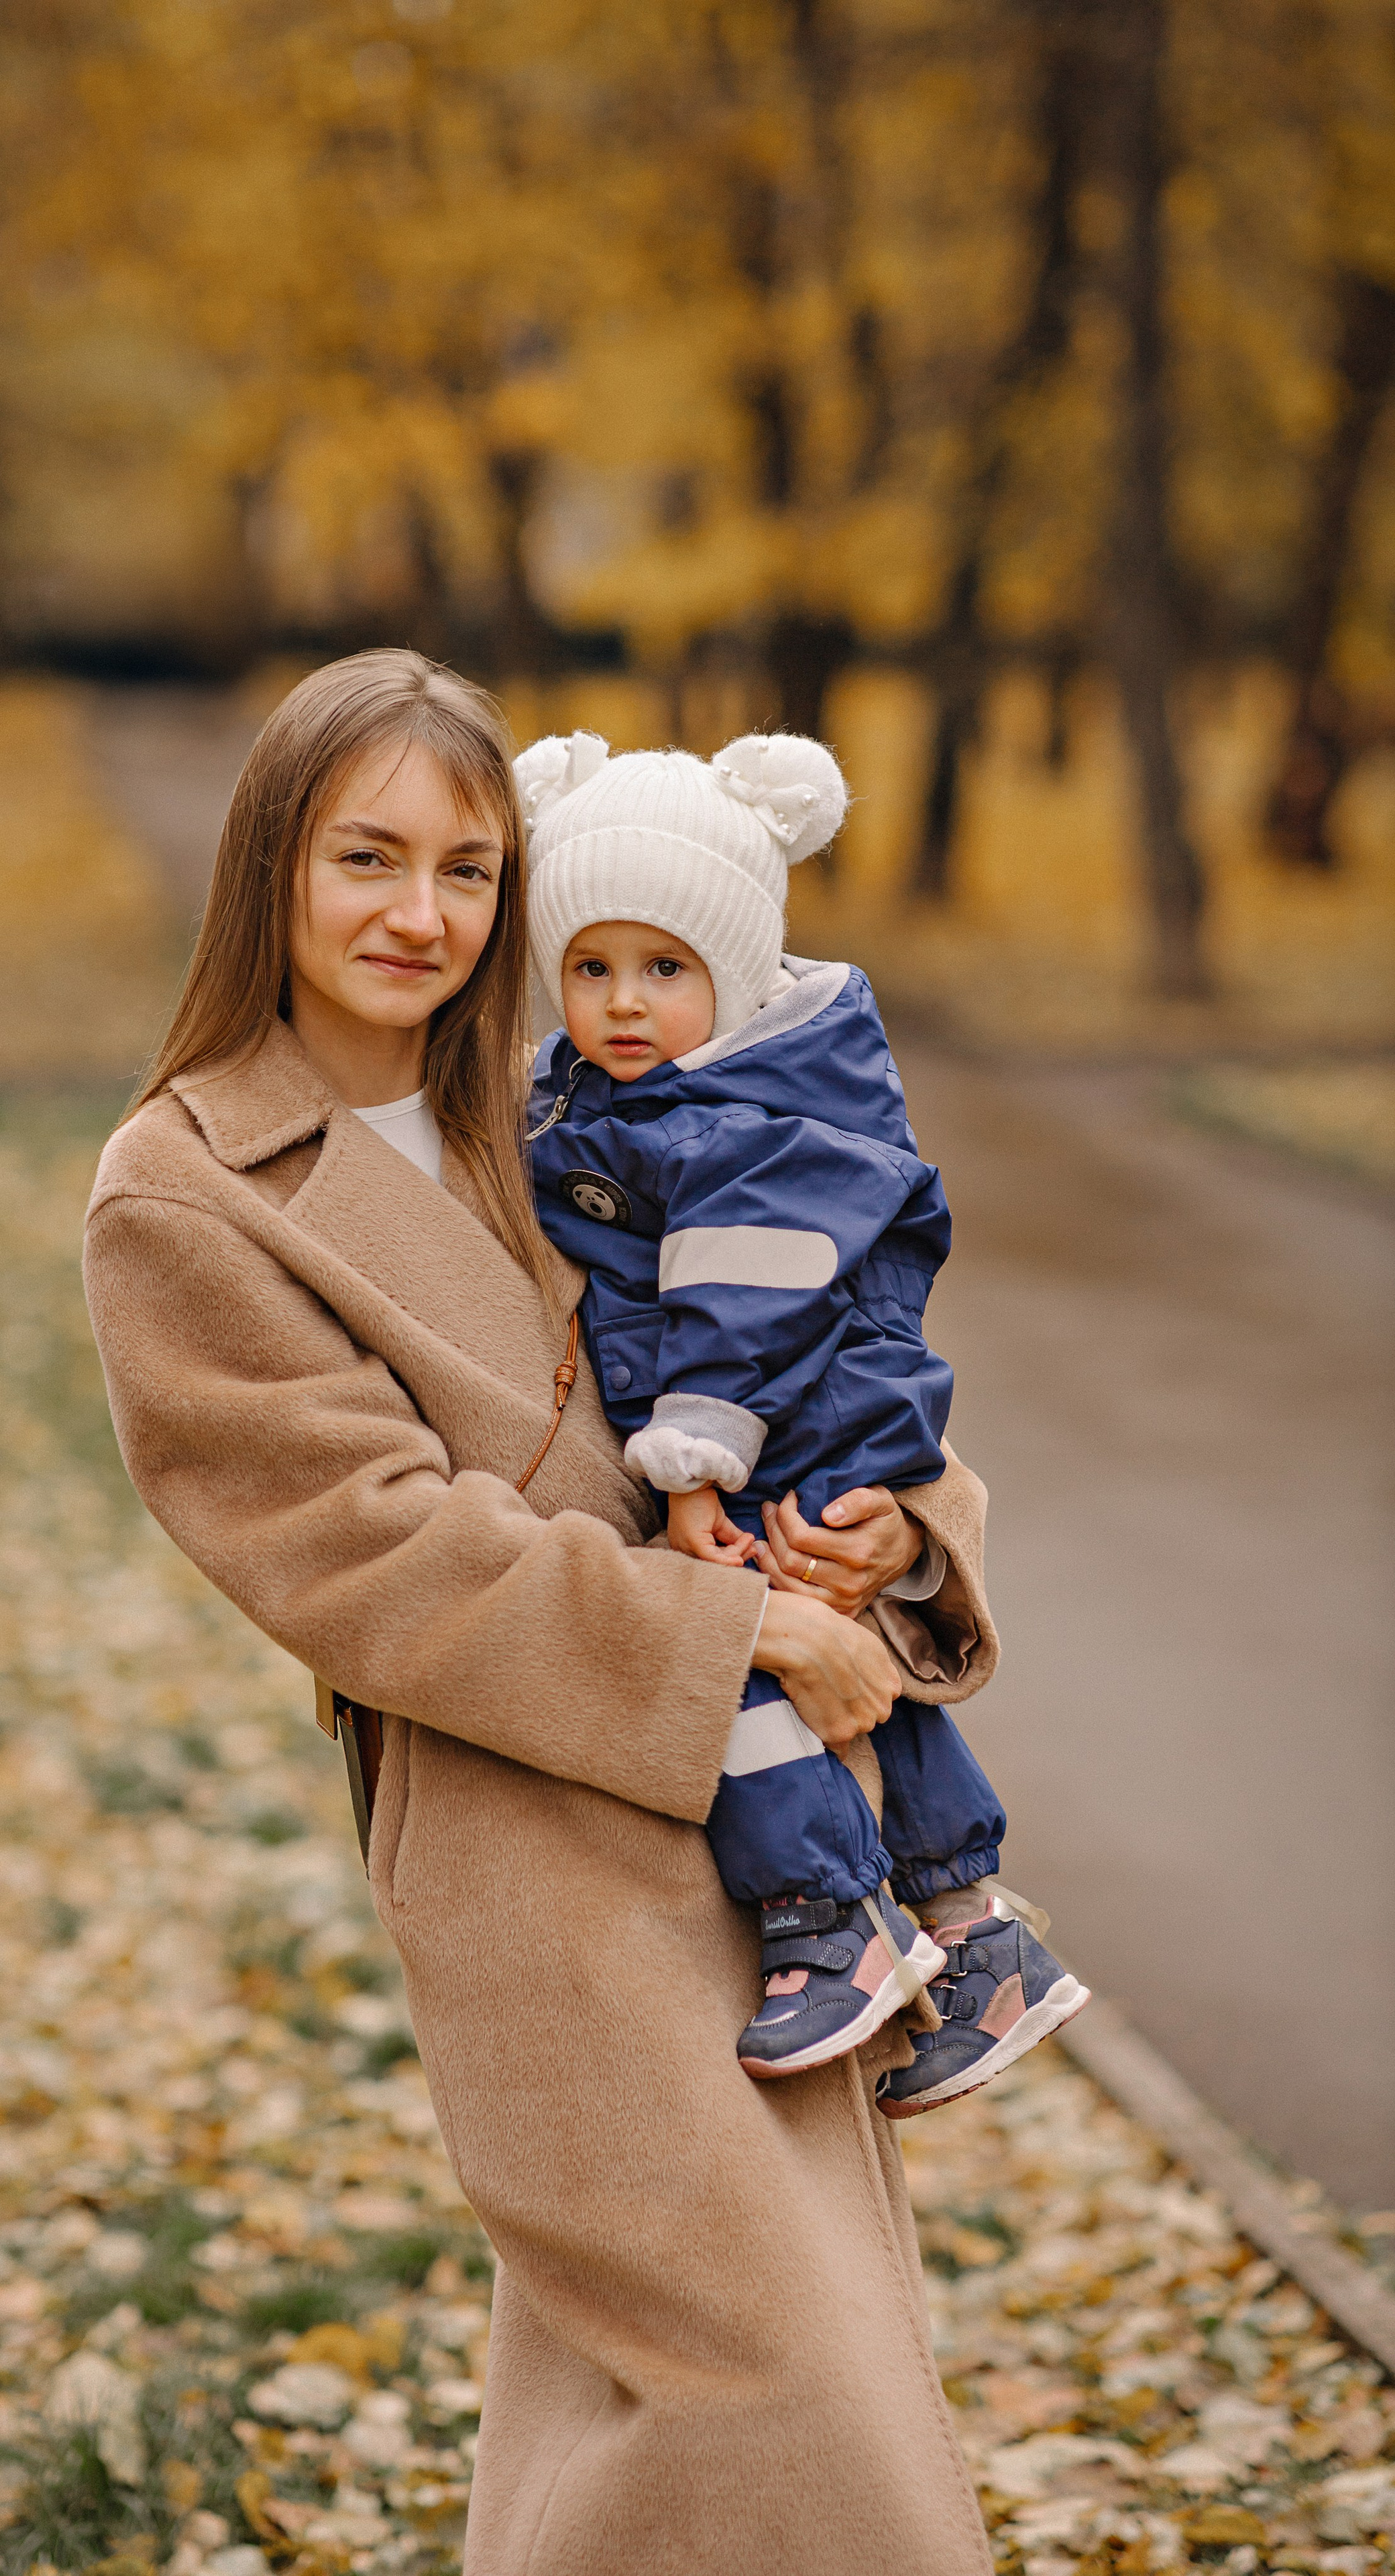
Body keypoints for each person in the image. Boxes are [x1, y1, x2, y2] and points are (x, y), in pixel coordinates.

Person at [84, 649, 1002, 2574]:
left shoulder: (560, 1098)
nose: (423, 915)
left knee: (656, 2400)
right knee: (773, 2403)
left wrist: (893, 1538)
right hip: (535, 1843)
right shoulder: (187, 1188)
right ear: (272, 867)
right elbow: (372, 1554)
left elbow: (834, 1337)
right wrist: (739, 1636)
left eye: (472, 869)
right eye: (367, 858)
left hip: (782, 1842)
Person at [518, 726, 1088, 2110]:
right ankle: (970, 1927)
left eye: (663, 968)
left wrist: (693, 1467)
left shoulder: (752, 1116)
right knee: (823, 1665)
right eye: (588, 968)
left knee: (744, 1674)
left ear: (738, 963)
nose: (621, 1003)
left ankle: (829, 1919)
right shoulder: (653, 1092)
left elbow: (743, 1295)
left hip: (781, 1416)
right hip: (804, 1416)